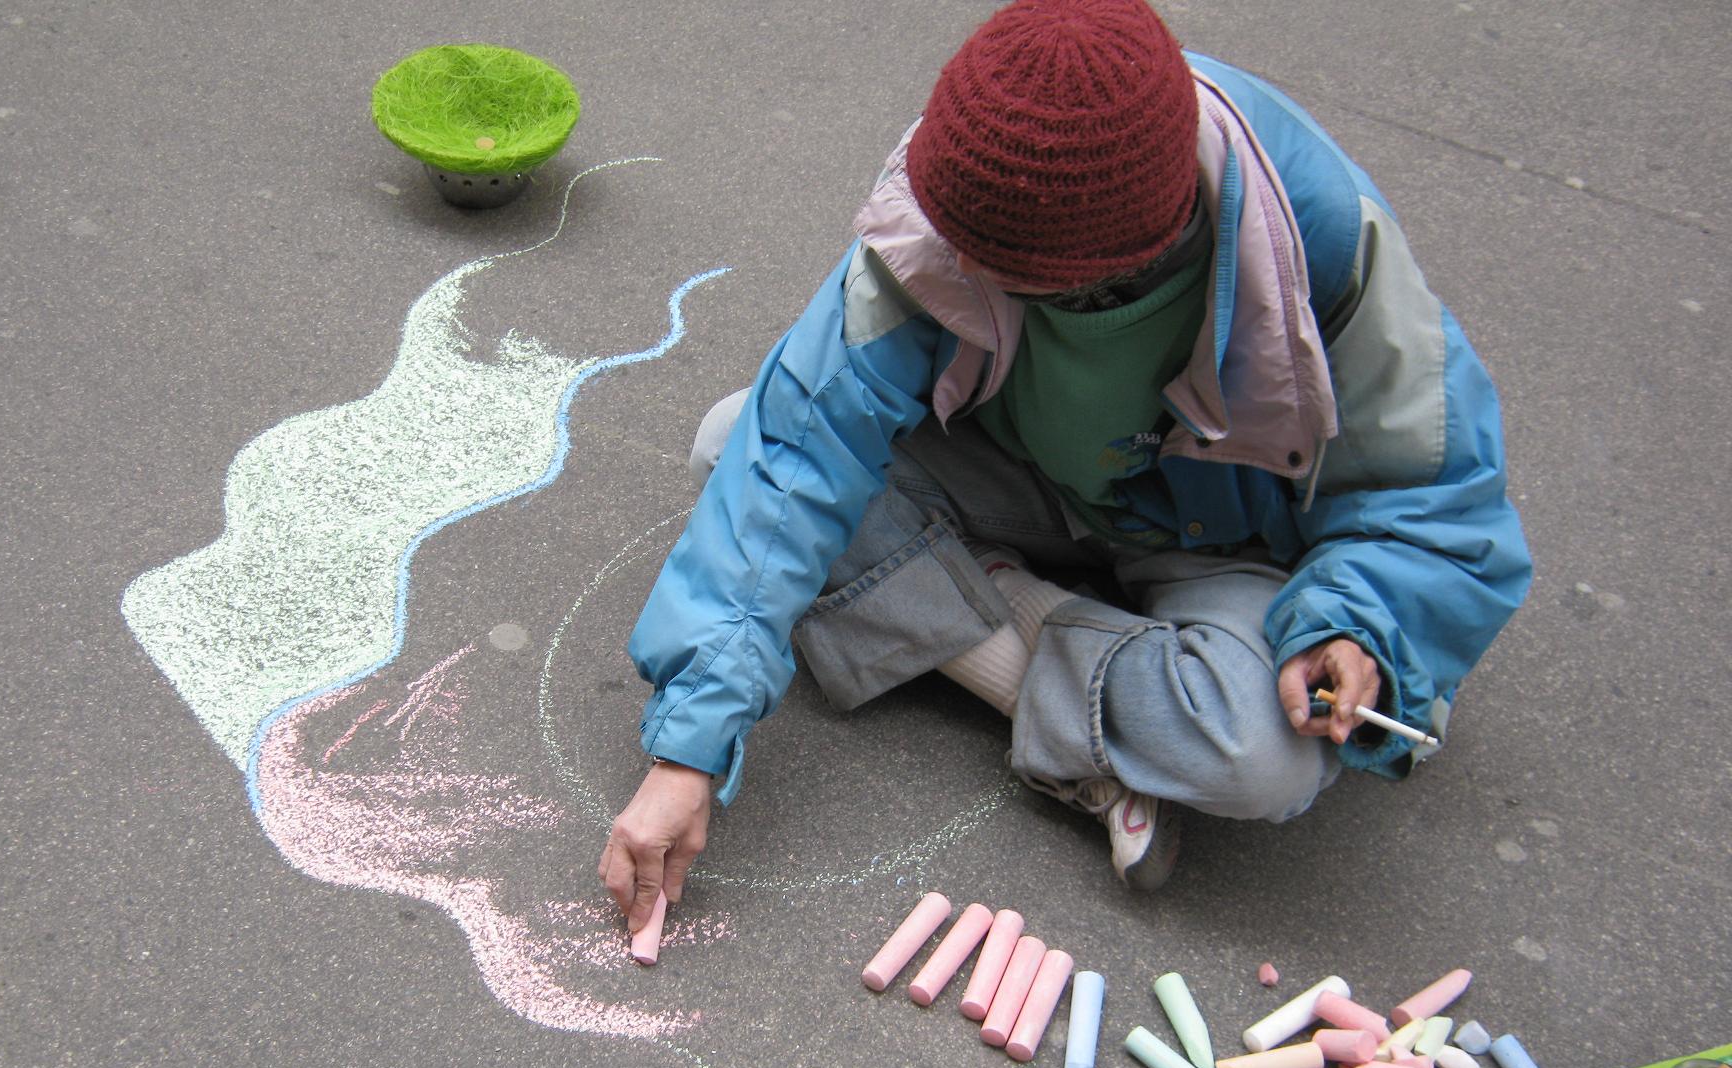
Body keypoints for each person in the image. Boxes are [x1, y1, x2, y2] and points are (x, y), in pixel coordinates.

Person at [597, 0, 1531, 930]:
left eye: (1000, 275)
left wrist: (1362, 621)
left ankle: (977, 609)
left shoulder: (1320, 239)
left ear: (1113, 266)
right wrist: (689, 750)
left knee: (1263, 757)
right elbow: (795, 449)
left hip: (1224, 543)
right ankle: (1080, 692)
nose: (950, 266)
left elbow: (1436, 502)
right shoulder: (959, 196)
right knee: (732, 439)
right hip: (1027, 478)